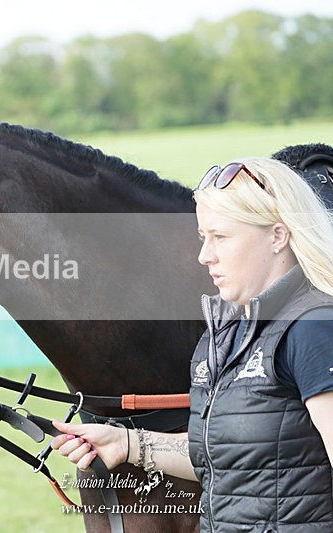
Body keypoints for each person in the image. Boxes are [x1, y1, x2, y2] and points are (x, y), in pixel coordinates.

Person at [51, 157, 333, 531]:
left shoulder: (314, 328)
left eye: (221, 237)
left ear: (278, 236)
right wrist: (127, 444)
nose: (205, 256)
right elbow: (218, 456)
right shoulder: (222, 336)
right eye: (203, 237)